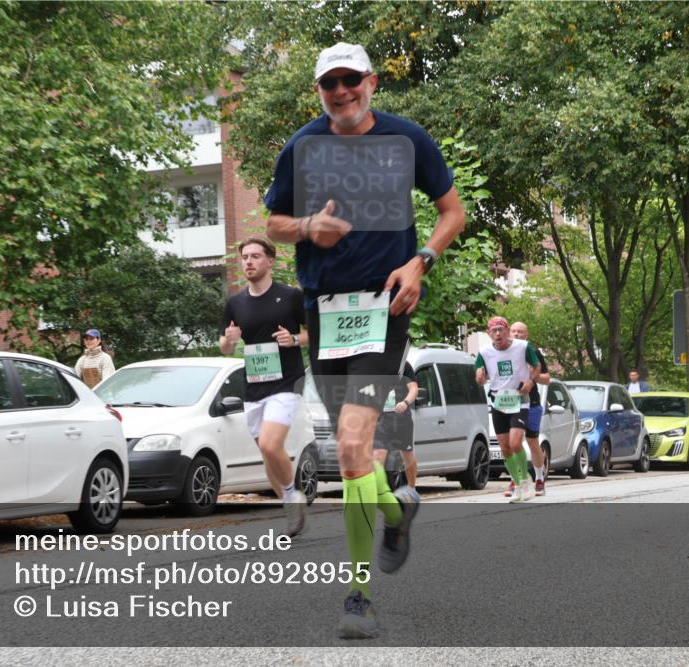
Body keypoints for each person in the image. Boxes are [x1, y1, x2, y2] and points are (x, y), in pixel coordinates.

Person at [263, 42, 465, 638]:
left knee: (352, 445)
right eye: (330, 83)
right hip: (325, 314)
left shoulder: (406, 140)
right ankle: (398, 508)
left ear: (372, 82)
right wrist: (307, 226)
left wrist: (420, 262)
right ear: (319, 91)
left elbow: (452, 212)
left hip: (384, 307)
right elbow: (273, 223)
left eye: (351, 79)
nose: (342, 91)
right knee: (354, 457)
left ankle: (358, 597)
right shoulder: (302, 147)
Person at [219, 236, 310, 536]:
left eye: (255, 256)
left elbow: (316, 333)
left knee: (271, 444)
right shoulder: (235, 303)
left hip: (287, 382)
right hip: (254, 386)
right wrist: (229, 341)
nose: (248, 261)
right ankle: (290, 502)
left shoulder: (291, 296)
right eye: (245, 257)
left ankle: (291, 496)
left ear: (270, 261)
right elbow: (224, 347)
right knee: (267, 452)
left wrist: (294, 339)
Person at [475, 316, 540, 503]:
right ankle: (517, 485)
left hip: (519, 399)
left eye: (500, 330)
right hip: (499, 401)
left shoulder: (522, 347)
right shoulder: (484, 352)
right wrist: (480, 377)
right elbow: (480, 378)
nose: (497, 334)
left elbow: (537, 367)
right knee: (505, 448)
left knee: (515, 443)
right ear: (488, 334)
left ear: (507, 331)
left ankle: (526, 481)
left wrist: (530, 382)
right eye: (493, 331)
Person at [510, 321, 551, 497]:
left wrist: (533, 375)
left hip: (531, 402)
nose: (516, 334)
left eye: (520, 332)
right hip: (511, 403)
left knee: (532, 441)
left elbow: (547, 379)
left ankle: (539, 478)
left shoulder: (533, 352)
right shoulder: (503, 353)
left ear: (526, 335)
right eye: (514, 331)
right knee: (514, 442)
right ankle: (516, 479)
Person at [373, 361, 420, 489]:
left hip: (401, 418)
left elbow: (414, 389)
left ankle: (412, 488)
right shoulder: (374, 364)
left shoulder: (403, 365)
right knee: (378, 454)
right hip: (381, 418)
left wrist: (405, 403)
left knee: (407, 455)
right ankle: (379, 491)